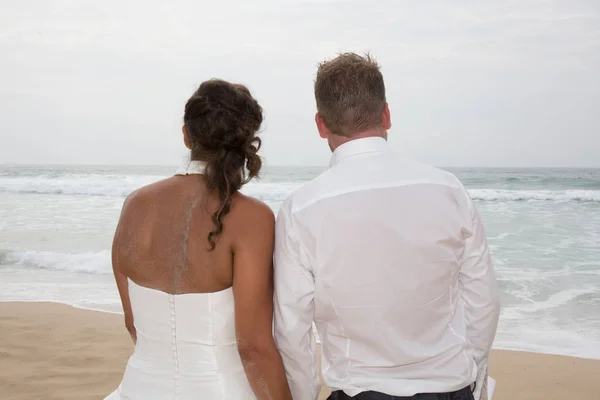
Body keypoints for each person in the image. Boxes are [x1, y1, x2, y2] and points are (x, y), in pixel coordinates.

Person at [273, 53, 500, 400]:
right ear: (387, 115)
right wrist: (473, 379)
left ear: (321, 125)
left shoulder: (301, 209)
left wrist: (304, 395)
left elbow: (292, 329)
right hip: (451, 387)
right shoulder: (449, 190)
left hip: (361, 391)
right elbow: (482, 302)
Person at [106, 79, 292, 400]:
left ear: (186, 134)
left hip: (140, 388)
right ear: (247, 140)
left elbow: (133, 324)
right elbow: (253, 347)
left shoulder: (135, 204)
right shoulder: (252, 218)